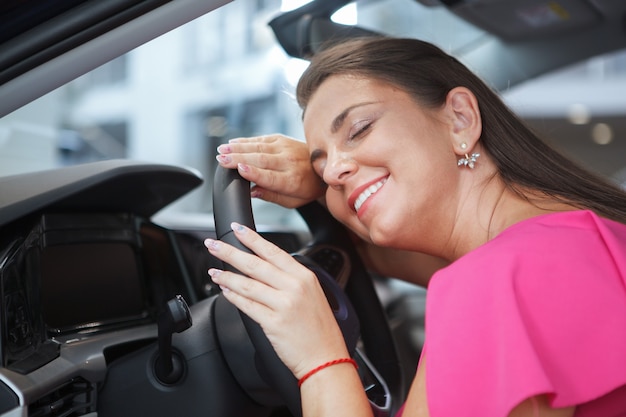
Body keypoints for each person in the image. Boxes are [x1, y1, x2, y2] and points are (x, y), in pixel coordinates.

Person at [204, 36, 626, 417]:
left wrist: (320, 359)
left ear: (460, 119)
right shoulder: (572, 239)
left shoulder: (499, 279)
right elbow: (369, 250)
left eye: (359, 129)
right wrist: (324, 183)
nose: (333, 171)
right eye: (323, 164)